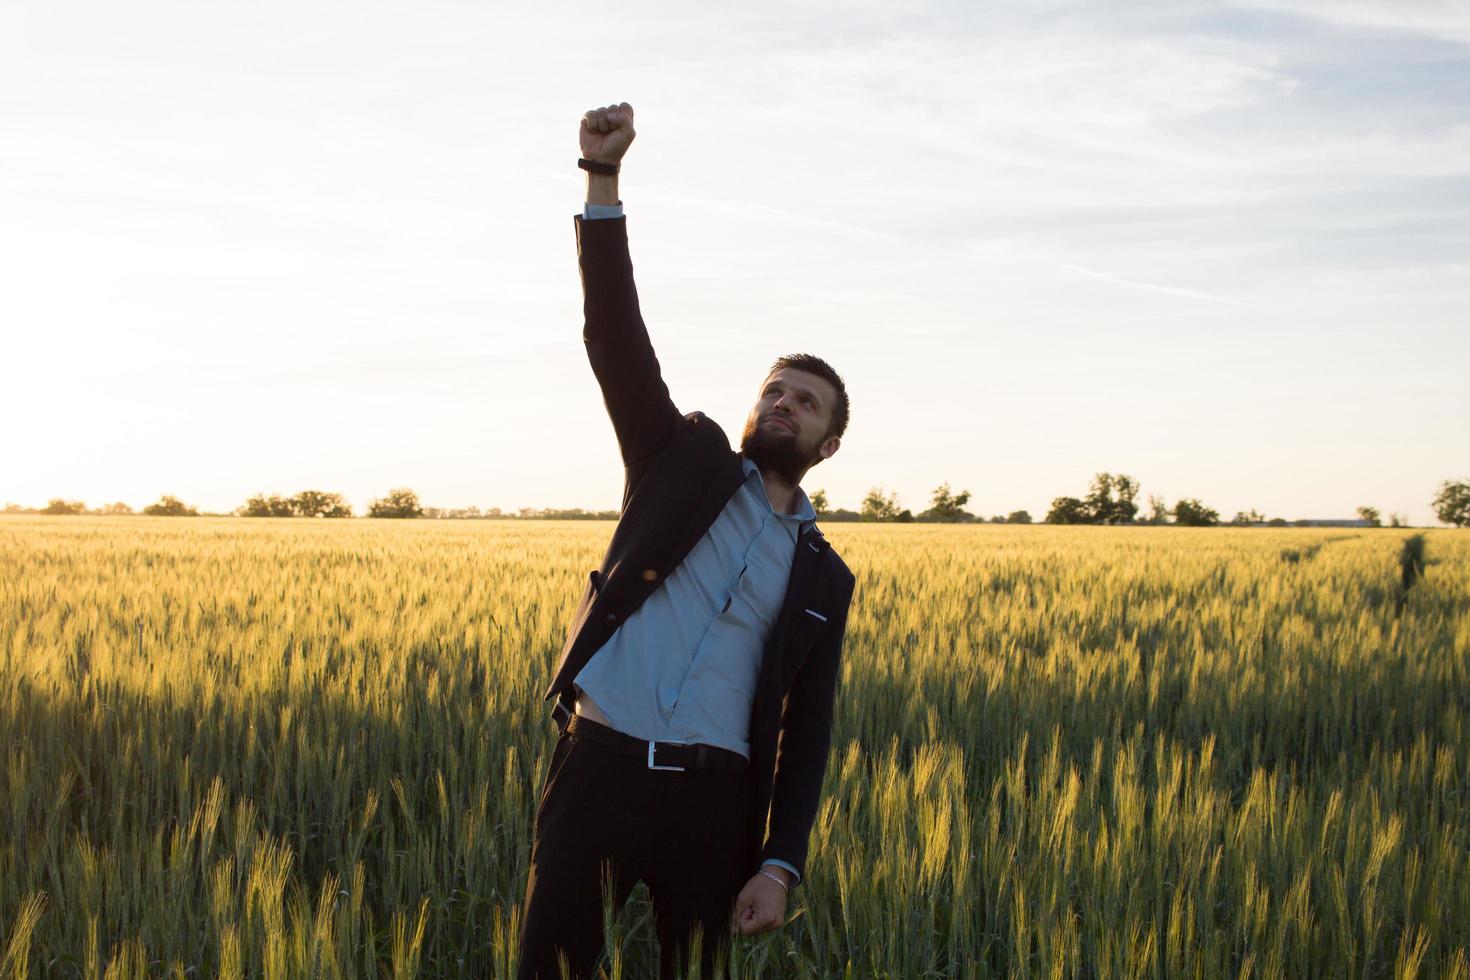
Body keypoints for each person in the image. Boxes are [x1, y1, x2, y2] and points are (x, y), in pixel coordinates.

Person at [515, 102, 857, 980]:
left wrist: (780, 862)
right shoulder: (680, 460)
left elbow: (807, 729)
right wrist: (603, 183)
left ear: (828, 446)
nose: (781, 403)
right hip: (601, 772)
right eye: (773, 390)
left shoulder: (826, 575)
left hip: (714, 805)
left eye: (804, 402)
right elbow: (615, 340)